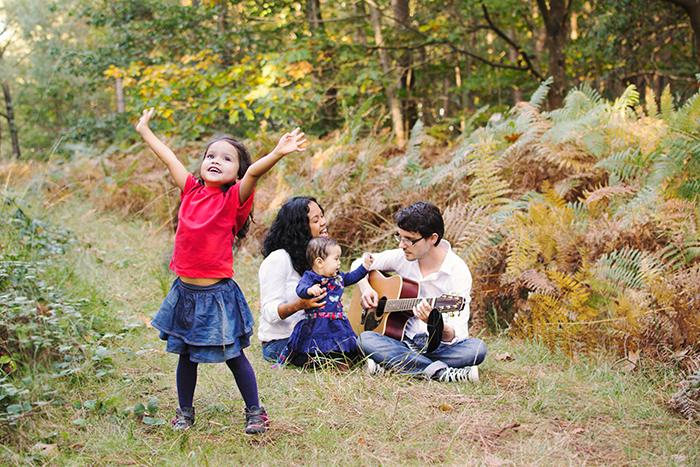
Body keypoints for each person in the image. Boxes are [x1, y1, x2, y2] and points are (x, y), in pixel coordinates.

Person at [136, 107, 307, 434]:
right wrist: (145, 130)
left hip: (217, 295)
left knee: (233, 355)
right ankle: (184, 412)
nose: (216, 160)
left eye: (227, 159)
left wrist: (277, 152)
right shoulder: (190, 191)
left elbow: (255, 173)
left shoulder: (233, 200)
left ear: (238, 171)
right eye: (211, 155)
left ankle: (255, 411)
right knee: (185, 355)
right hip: (185, 293)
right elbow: (169, 158)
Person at [352, 201, 487, 383]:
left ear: (432, 238)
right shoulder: (402, 257)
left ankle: (395, 366)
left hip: (436, 346)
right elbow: (360, 263)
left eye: (409, 239)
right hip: (402, 339)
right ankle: (441, 373)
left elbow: (458, 333)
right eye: (399, 237)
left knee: (476, 349)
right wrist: (366, 288)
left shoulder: (457, 271)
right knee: (365, 338)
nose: (402, 245)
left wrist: (436, 325)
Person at [274, 238, 373, 368]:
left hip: (336, 322)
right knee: (307, 346)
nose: (339, 262)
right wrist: (309, 290)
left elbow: (353, 276)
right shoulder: (310, 277)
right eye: (336, 259)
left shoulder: (339, 278)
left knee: (342, 345)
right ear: (320, 262)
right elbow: (300, 289)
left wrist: (365, 266)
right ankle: (285, 362)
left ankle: (344, 361)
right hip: (315, 323)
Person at [258, 196, 329, 366]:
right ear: (301, 228)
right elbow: (269, 312)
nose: (324, 222)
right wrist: (299, 305)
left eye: (322, 216)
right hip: (281, 341)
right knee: (331, 353)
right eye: (316, 220)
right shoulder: (278, 260)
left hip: (315, 335)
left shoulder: (318, 259)